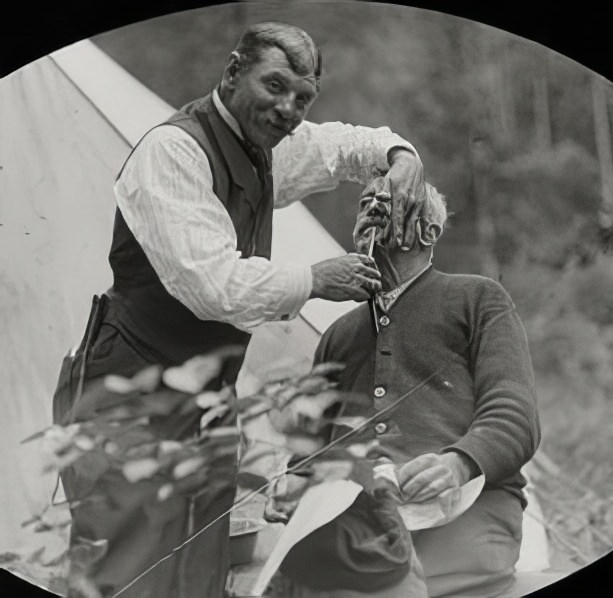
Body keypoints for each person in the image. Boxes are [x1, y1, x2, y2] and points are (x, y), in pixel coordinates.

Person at [51, 21, 428, 598]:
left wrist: (400, 157)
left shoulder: (268, 148)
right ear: (232, 71)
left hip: (203, 401)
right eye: (274, 86)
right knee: (122, 572)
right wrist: (316, 279)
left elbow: (345, 147)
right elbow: (213, 285)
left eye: (303, 98)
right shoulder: (173, 151)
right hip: (128, 396)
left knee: (198, 571)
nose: (287, 108)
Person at [276, 181, 541, 597]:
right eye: (366, 202)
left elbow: (513, 414)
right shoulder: (336, 335)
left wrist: (457, 464)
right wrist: (294, 483)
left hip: (463, 516)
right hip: (353, 531)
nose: (375, 206)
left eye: (393, 200)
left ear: (430, 232)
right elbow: (308, 452)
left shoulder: (479, 299)